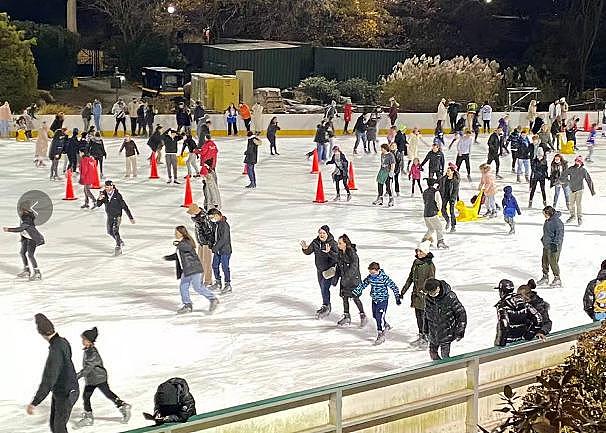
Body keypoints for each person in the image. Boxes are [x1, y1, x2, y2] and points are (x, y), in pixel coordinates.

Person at [27, 314, 79, 433]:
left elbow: (49, 379)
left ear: (41, 333)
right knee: (54, 425)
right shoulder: (63, 342)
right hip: (64, 390)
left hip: (66, 393)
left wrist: (35, 402)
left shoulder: (55, 351)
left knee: (59, 428)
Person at [75, 327, 131, 427]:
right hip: (97, 377)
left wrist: (76, 377)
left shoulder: (92, 353)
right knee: (107, 394)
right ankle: (122, 406)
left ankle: (89, 418)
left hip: (96, 378)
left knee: (87, 396)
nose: (82, 341)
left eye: (84, 339)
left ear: (89, 341)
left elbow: (88, 368)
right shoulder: (89, 351)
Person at [164, 226, 219, 314]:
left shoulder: (187, 242)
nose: (175, 234)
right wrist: (167, 257)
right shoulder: (182, 244)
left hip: (194, 269)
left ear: (182, 233)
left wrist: (178, 244)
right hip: (186, 270)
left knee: (197, 287)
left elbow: (187, 248)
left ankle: (213, 299)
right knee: (183, 287)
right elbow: (178, 255)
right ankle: (187, 305)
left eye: (177, 232)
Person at [353, 262, 401, 345]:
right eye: (370, 273)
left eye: (373, 273)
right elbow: (363, 284)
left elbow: (394, 287)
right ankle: (385, 325)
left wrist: (397, 298)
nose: (372, 275)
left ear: (378, 270)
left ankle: (380, 333)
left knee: (379, 316)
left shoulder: (384, 278)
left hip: (383, 300)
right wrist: (356, 291)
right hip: (374, 300)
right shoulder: (370, 278)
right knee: (375, 316)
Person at [401, 240, 435, 347]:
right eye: (417, 251)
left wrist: (425, 292)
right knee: (418, 317)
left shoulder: (429, 265)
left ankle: (427, 337)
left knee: (425, 317)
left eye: (421, 251)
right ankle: (421, 335)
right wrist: (403, 291)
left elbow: (431, 281)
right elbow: (410, 278)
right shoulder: (416, 263)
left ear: (426, 252)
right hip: (416, 296)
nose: (418, 253)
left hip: (425, 296)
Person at [423, 278, 467, 360]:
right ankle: (438, 370)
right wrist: (425, 329)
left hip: (446, 332)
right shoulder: (428, 299)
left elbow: (461, 313)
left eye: (433, 292)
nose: (431, 294)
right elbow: (426, 315)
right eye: (429, 292)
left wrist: (460, 330)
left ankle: (448, 370)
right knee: (432, 353)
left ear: (438, 288)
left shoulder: (449, 297)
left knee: (445, 356)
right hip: (433, 333)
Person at [301, 225, 338, 319]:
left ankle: (326, 306)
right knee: (322, 288)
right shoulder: (315, 242)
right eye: (320, 233)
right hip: (319, 270)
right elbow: (308, 251)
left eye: (323, 233)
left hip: (329, 270)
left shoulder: (332, 243)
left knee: (325, 288)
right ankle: (326, 305)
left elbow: (338, 257)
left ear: (327, 233)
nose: (321, 235)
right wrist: (305, 249)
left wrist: (329, 252)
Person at [493, 279, 545, 347]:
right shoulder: (522, 301)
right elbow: (538, 319)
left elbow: (504, 325)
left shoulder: (502, 305)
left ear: (502, 291)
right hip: (521, 341)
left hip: (507, 343)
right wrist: (528, 335)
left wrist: (500, 344)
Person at [329, 234, 367, 327]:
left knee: (355, 297)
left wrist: (346, 278)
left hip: (353, 280)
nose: (338, 245)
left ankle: (363, 316)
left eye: (340, 243)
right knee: (344, 297)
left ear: (345, 243)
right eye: (338, 243)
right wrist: (335, 280)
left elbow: (354, 267)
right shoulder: (341, 253)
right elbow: (338, 264)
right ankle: (347, 316)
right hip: (345, 280)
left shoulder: (352, 254)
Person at [3, 205, 45, 280]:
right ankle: (27, 270)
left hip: (32, 239)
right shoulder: (23, 217)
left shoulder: (27, 218)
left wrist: (8, 229)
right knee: (22, 252)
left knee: (30, 255)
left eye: (21, 210)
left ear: (25, 211)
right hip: (26, 238)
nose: (20, 212)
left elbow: (21, 228)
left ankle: (37, 272)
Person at [96, 180, 135, 256]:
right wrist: (99, 199)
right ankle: (119, 241)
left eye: (109, 187)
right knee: (110, 231)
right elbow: (98, 205)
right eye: (106, 187)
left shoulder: (117, 195)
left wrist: (130, 217)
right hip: (110, 216)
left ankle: (118, 246)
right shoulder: (103, 194)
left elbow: (125, 206)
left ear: (112, 187)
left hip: (117, 215)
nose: (107, 188)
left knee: (115, 230)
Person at [560, 155, 596, 225]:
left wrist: (592, 190)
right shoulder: (571, 169)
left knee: (578, 204)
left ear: (581, 162)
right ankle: (572, 216)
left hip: (580, 189)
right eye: (576, 161)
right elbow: (563, 175)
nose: (577, 162)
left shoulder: (583, 170)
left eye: (579, 161)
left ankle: (579, 217)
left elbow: (588, 180)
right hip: (572, 189)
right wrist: (565, 181)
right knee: (571, 204)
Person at [187, 203, 214, 286]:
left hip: (206, 244)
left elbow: (209, 232)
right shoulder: (198, 218)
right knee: (200, 262)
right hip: (201, 243)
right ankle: (199, 279)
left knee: (207, 262)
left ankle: (208, 280)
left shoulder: (203, 218)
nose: (191, 214)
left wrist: (209, 243)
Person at [536, 206, 564, 288]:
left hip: (554, 246)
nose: (544, 215)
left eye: (545, 213)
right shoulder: (548, 221)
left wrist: (555, 244)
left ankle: (557, 278)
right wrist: (543, 239)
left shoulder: (557, 222)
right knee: (544, 261)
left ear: (549, 213)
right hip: (546, 244)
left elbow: (559, 235)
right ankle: (545, 277)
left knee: (553, 262)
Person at [208, 208, 232, 294]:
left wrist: (216, 247)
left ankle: (228, 284)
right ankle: (218, 282)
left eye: (212, 217)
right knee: (214, 265)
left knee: (225, 267)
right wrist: (211, 243)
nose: (211, 219)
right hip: (217, 250)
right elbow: (213, 236)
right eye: (210, 217)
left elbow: (224, 238)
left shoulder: (224, 225)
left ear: (217, 215)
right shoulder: (215, 225)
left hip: (225, 250)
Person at [422, 178, 448, 249]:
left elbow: (424, 201)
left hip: (426, 213)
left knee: (431, 228)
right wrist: (438, 210)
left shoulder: (425, 191)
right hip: (433, 213)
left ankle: (424, 241)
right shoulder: (436, 192)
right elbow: (439, 202)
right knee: (439, 227)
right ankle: (440, 242)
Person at [438, 163, 460, 233]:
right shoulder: (443, 179)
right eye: (447, 171)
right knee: (443, 210)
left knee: (452, 211)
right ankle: (448, 220)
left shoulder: (455, 181)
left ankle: (453, 226)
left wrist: (453, 199)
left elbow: (455, 191)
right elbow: (439, 184)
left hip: (452, 197)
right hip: (445, 196)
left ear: (452, 172)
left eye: (448, 171)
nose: (447, 172)